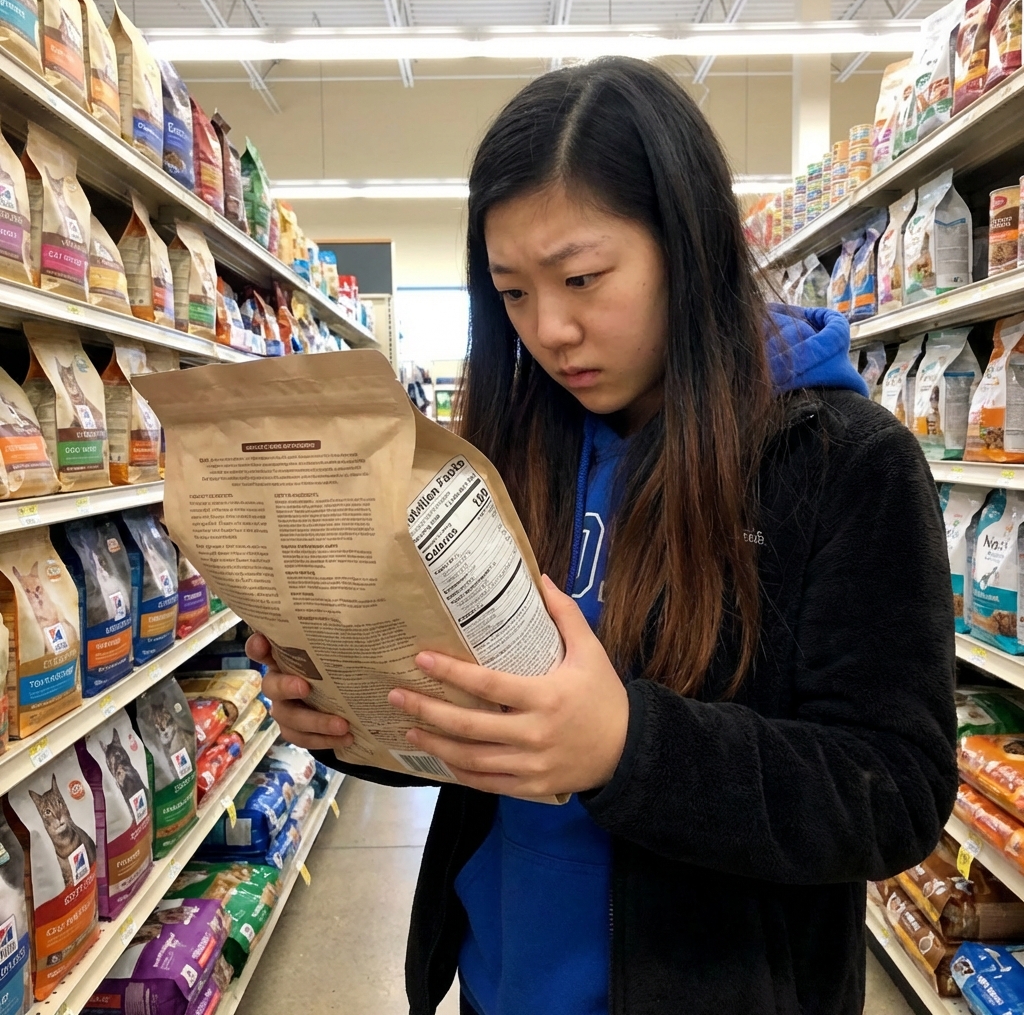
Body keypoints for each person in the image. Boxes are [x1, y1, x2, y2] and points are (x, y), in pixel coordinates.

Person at [246, 57, 957, 1015]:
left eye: (582, 278)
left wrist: (629, 746)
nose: (551, 330)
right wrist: (343, 716)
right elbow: (474, 717)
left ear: (689, 246)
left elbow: (894, 789)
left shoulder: (844, 463)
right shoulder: (497, 452)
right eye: (512, 293)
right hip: (498, 977)